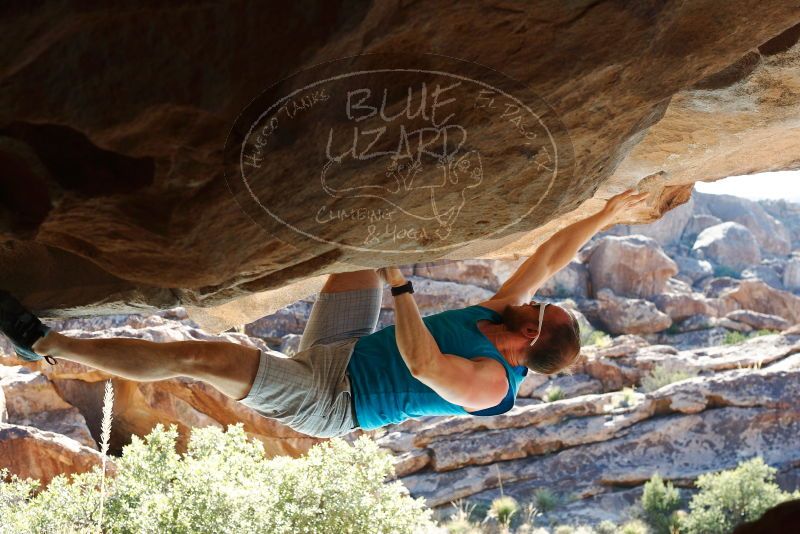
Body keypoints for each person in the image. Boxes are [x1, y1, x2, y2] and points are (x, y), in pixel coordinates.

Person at [0, 189, 648, 438]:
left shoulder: (491, 387)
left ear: (531, 336)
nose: (530, 295)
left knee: (202, 358)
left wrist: (402, 286)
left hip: (331, 399)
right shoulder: (508, 316)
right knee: (360, 245)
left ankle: (48, 342)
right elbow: (548, 257)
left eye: (539, 307)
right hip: (346, 348)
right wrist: (605, 214)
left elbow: (422, 363)